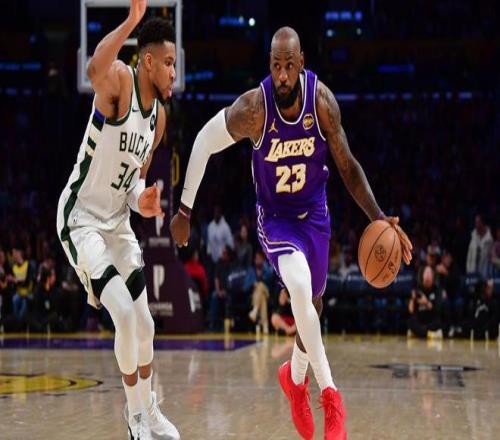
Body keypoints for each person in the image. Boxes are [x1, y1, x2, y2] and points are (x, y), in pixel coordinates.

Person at [170, 26, 412, 439]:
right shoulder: (254, 109)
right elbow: (203, 141)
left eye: (289, 66)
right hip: (276, 217)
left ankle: (294, 380)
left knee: (311, 307)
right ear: (270, 65)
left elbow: (348, 167)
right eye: (275, 66)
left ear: (301, 64)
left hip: (314, 215)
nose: (282, 75)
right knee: (299, 287)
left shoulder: (322, 103)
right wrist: (184, 209)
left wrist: (380, 217)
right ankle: (331, 396)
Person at [56, 1, 179, 438]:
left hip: (117, 222)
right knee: (124, 316)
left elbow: (133, 186)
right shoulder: (121, 82)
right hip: (82, 220)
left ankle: (149, 408)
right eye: (168, 63)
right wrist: (131, 21)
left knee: (146, 324)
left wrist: (143, 202)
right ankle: (135, 418)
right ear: (147, 61)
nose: (174, 73)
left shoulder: (159, 120)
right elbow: (93, 69)